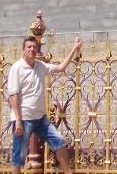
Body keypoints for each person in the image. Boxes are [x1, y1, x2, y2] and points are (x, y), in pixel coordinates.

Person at [6, 35, 82, 174]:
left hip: (40, 118)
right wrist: (18, 121)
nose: (32, 49)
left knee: (59, 142)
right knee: (19, 155)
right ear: (23, 50)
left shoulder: (40, 66)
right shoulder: (16, 68)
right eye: (29, 47)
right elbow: (13, 96)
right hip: (24, 118)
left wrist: (74, 48)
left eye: (34, 47)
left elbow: (60, 68)